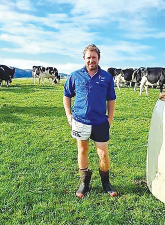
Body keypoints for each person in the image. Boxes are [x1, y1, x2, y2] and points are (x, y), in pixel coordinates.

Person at [63, 44, 117, 198]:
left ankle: (106, 183)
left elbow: (111, 99)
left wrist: (110, 118)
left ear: (98, 58)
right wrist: (69, 115)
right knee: (82, 150)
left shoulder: (106, 77)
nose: (91, 60)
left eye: (94, 57)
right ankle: (84, 183)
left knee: (103, 154)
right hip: (80, 120)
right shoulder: (75, 76)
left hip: (100, 121)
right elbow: (66, 95)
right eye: (88, 57)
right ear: (84, 59)